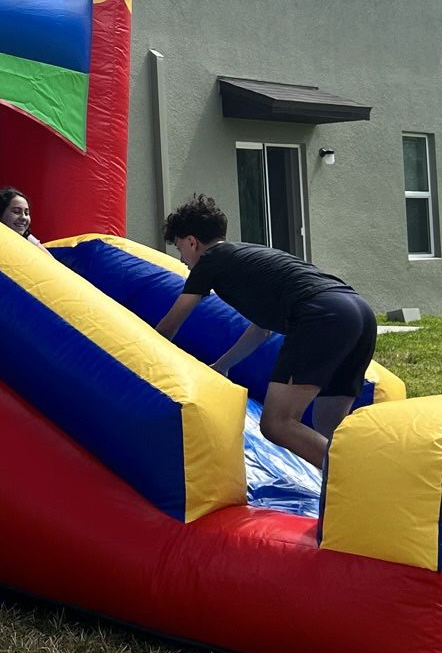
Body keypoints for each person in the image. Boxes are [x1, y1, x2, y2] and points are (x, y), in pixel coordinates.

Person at [153, 193, 376, 469]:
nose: (183, 258)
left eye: (179, 249)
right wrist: (222, 366)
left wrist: (146, 363)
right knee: (328, 427)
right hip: (358, 313)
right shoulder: (246, 257)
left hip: (322, 316)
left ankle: (362, 478)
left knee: (277, 423)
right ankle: (361, 499)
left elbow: (170, 325)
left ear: (192, 241)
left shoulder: (210, 260)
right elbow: (262, 330)